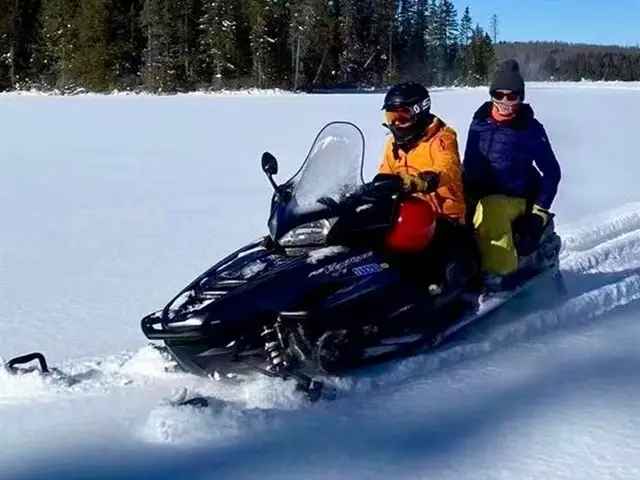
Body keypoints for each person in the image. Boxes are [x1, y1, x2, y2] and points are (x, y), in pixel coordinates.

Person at [463, 59, 561, 289]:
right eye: (499, 95)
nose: (505, 102)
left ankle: (497, 275)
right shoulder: (478, 124)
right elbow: (469, 161)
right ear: (491, 95)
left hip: (515, 197)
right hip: (479, 192)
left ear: (521, 97)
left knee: (491, 209)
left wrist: (539, 212)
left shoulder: (530, 129)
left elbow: (552, 172)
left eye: (512, 96)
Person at [379, 82, 475, 292]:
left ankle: (436, 299)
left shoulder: (442, 139)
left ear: (418, 112)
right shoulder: (393, 144)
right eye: (390, 117)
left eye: (401, 117)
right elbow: (385, 173)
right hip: (406, 216)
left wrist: (425, 180)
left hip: (444, 218)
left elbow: (448, 167)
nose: (395, 123)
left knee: (427, 267)